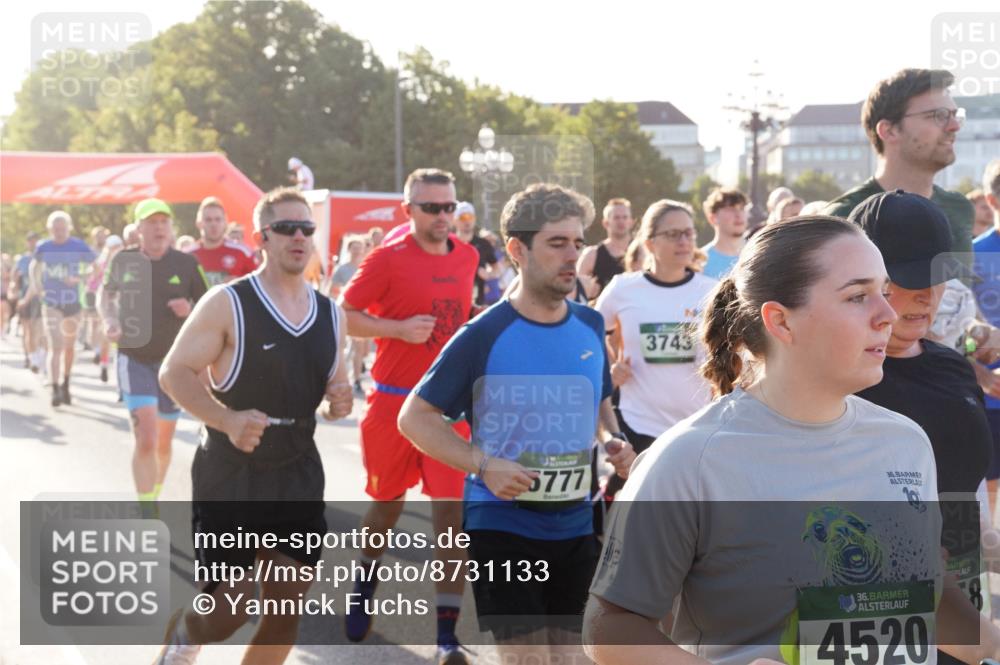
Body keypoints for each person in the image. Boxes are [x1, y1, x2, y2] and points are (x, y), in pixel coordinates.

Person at [584, 215, 1000, 665]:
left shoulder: (907, 442)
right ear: (781, 321)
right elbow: (609, 626)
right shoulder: (690, 458)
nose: (887, 314)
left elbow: (928, 595)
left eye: (883, 292)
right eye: (858, 296)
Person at [398, 182, 635, 665]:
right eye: (556, 243)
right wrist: (483, 464)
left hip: (575, 524)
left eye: (577, 243)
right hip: (503, 526)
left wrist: (612, 439)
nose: (572, 256)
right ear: (516, 249)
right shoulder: (483, 334)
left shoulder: (589, 325)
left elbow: (597, 401)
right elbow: (415, 418)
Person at [156, 187, 352, 665]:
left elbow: (335, 393)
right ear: (263, 237)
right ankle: (186, 631)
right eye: (286, 228)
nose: (299, 237)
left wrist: (339, 402)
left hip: (298, 468)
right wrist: (226, 419)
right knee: (229, 610)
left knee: (285, 609)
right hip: (231, 470)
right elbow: (173, 372)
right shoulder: (228, 303)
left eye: (306, 228)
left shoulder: (332, 314)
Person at [339, 168, 479, 662]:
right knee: (386, 507)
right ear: (409, 210)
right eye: (431, 208)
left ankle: (445, 635)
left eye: (449, 208)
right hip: (392, 402)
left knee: (450, 518)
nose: (443, 217)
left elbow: (460, 319)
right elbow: (345, 314)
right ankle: (363, 583)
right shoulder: (387, 259)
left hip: (446, 408)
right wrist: (396, 329)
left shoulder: (467, 257)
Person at [850, 191, 993, 645]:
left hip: (966, 608)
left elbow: (972, 500)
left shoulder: (952, 367)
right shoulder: (837, 381)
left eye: (938, 279)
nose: (925, 296)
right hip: (875, 622)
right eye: (906, 279)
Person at [595, 200, 716, 496]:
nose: (684, 241)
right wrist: (610, 369)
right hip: (640, 424)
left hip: (697, 425)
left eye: (688, 233)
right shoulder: (623, 289)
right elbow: (591, 334)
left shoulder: (711, 291)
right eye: (673, 234)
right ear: (650, 242)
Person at [99, 199, 208, 508]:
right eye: (152, 222)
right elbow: (104, 295)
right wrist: (108, 319)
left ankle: (153, 493)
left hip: (173, 365)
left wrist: (189, 310)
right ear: (139, 229)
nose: (159, 227)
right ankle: (147, 506)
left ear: (171, 227)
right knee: (146, 438)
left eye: (164, 221)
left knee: (163, 442)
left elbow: (209, 308)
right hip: (134, 359)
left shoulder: (186, 264)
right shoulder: (123, 261)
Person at [824, 69, 971, 254]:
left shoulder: (960, 208)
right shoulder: (842, 219)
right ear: (889, 130)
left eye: (955, 115)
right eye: (939, 115)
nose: (954, 126)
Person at [27, 211, 96, 406]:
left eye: (62, 229)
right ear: (50, 230)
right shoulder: (44, 247)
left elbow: (96, 267)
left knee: (69, 347)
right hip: (51, 302)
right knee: (55, 345)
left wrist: (79, 278)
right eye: (55, 229)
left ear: (69, 228)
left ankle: (66, 383)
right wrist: (37, 285)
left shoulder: (78, 246)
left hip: (74, 303)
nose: (59, 232)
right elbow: (34, 266)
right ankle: (55, 388)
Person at [972, 159, 1000, 511]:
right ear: (992, 201)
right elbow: (959, 329)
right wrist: (977, 367)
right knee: (988, 493)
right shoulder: (970, 255)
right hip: (988, 398)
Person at [189, 197, 257, 287]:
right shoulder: (188, 254)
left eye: (218, 219)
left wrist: (240, 284)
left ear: (225, 222)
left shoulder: (243, 252)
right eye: (208, 220)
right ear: (199, 223)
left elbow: (258, 284)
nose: (213, 224)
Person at [330, 235, 368, 395]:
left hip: (364, 312)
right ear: (349, 250)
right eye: (354, 248)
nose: (357, 251)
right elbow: (333, 289)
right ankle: (352, 379)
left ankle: (356, 375)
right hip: (345, 312)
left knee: (362, 349)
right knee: (346, 347)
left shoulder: (365, 267)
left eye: (359, 248)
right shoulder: (343, 269)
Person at [577, 198, 635, 298]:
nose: (621, 221)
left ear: (631, 222)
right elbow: (575, 291)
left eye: (625, 217)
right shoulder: (592, 255)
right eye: (616, 218)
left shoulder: (643, 252)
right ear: (606, 223)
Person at [85, 234, 123, 383]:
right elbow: (91, 277)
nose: (115, 250)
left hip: (121, 301)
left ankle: (109, 363)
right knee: (105, 332)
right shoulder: (101, 262)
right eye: (113, 247)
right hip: (103, 300)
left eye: (117, 246)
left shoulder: (125, 260)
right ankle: (104, 362)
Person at [453, 201, 500, 307]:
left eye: (470, 217)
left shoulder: (483, 244)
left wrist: (488, 275)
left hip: (478, 304)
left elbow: (497, 269)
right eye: (463, 217)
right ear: (455, 221)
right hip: (454, 302)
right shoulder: (448, 243)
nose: (467, 221)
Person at [11, 232, 43, 372]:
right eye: (30, 241)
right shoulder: (22, 260)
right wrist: (14, 291)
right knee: (27, 330)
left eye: (35, 241)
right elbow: (15, 278)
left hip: (39, 299)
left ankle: (36, 356)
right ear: (27, 242)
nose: (33, 243)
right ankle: (29, 356)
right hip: (25, 298)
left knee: (38, 330)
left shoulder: (44, 259)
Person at [699, 187, 748, 278]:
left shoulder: (759, 254)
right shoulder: (701, 262)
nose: (738, 214)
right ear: (713, 218)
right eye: (731, 209)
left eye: (742, 208)